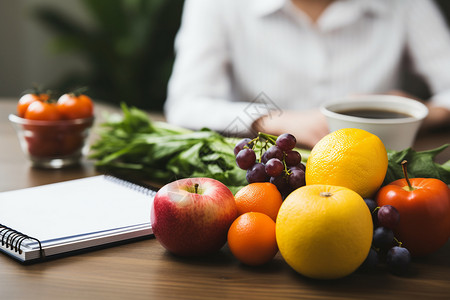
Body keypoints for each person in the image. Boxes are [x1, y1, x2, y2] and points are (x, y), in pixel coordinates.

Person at [164, 0, 450, 148]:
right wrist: (274, 119)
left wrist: (421, 114)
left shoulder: (405, 4)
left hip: (377, 177)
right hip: (266, 184)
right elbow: (186, 103)